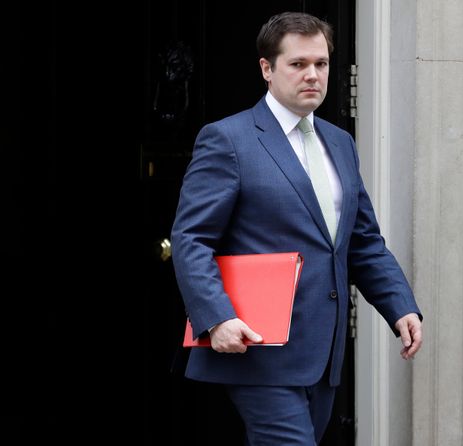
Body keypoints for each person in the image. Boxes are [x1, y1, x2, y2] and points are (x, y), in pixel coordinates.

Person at [171, 11, 423, 445]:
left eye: (321, 64)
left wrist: (400, 306)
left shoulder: (340, 142)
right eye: (298, 64)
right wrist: (216, 318)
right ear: (267, 69)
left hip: (323, 353)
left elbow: (361, 241)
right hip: (257, 345)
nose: (313, 75)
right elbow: (191, 238)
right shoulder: (227, 139)